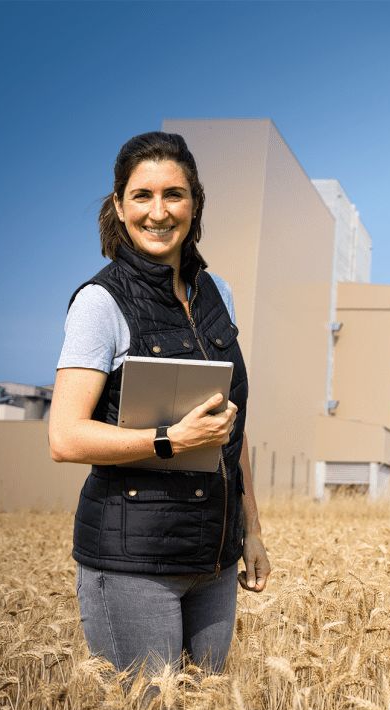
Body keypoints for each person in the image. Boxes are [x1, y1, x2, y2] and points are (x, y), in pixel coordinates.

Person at [49, 131, 271, 677]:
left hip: (214, 561)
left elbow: (228, 429)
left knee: (210, 709)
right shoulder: (100, 303)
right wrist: (169, 440)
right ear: (120, 207)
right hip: (132, 564)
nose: (158, 211)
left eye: (174, 194)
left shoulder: (217, 292)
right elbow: (65, 437)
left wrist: (253, 532)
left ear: (194, 205)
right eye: (142, 196)